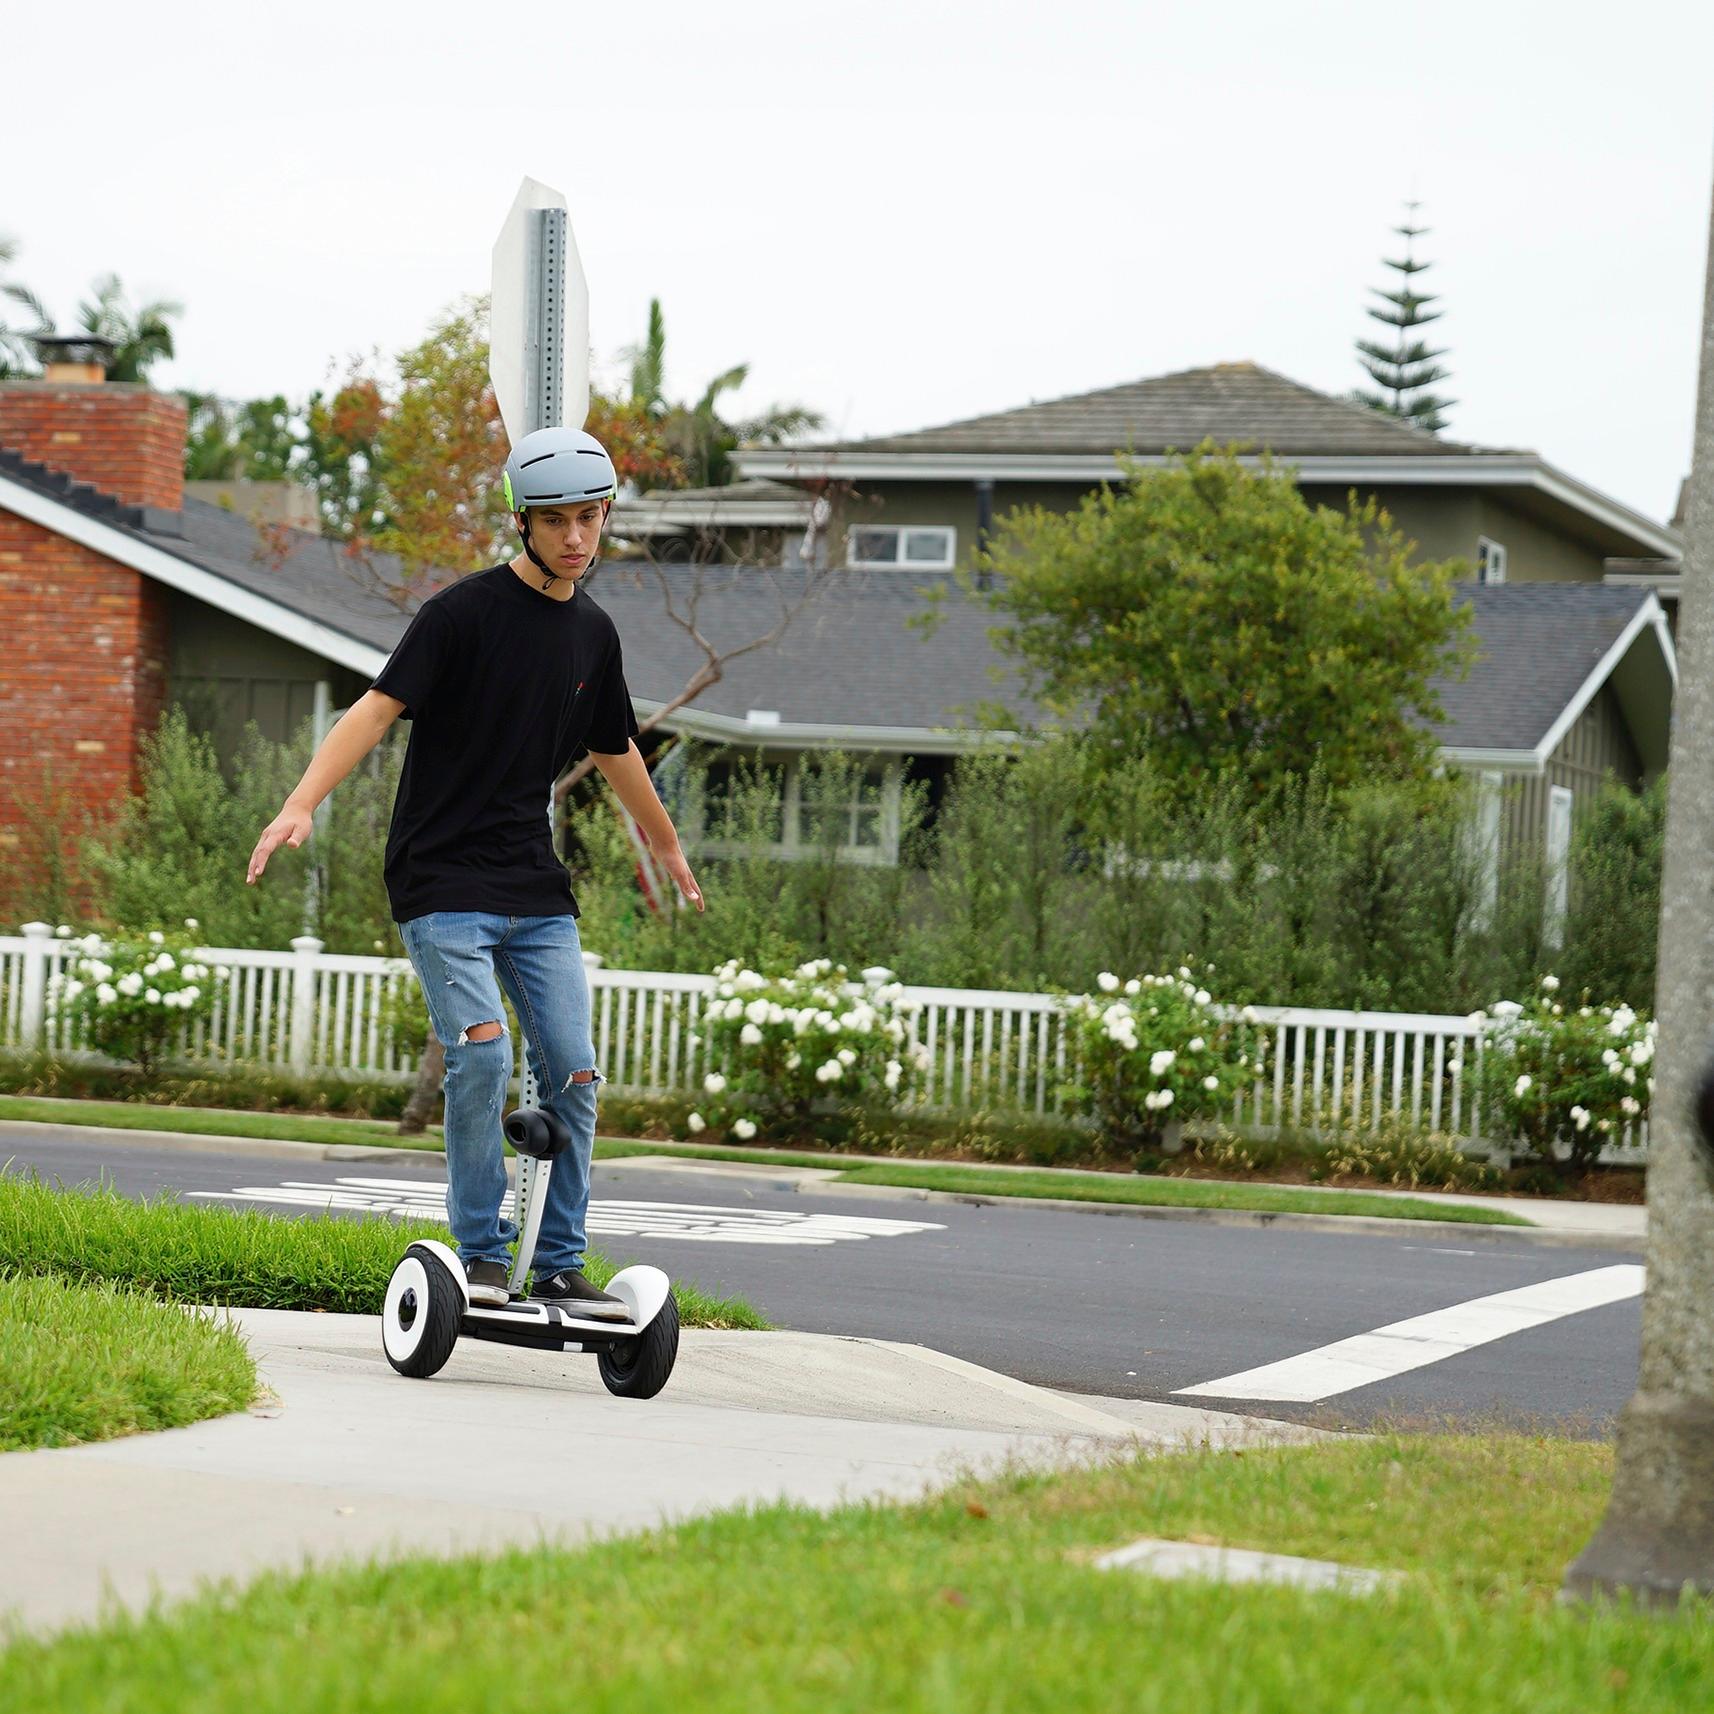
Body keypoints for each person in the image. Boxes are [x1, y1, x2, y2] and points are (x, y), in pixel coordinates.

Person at [246, 426, 703, 1311]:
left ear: (606, 516)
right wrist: (303, 800)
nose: (576, 536)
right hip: (440, 876)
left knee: (574, 1070)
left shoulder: (594, 635)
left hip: (532, 884)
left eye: (590, 516)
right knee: (485, 1057)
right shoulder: (460, 614)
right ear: (524, 524)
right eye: (557, 519)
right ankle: (481, 1253)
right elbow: (376, 711)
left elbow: (617, 752)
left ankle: (563, 1261)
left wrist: (668, 842)